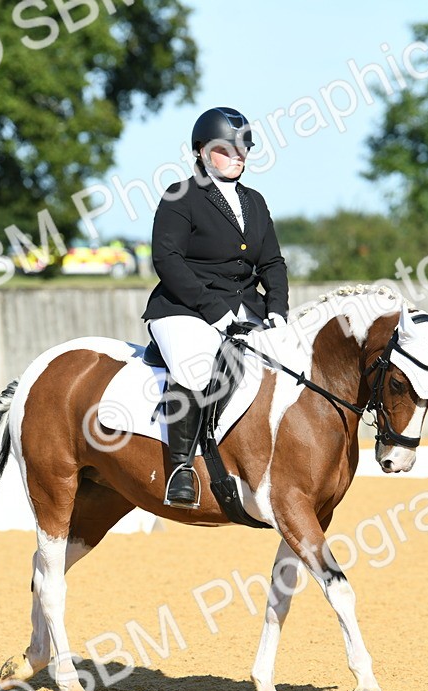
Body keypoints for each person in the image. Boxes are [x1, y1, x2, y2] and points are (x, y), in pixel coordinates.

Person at [143, 106, 290, 508]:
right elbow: (167, 259)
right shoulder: (180, 196)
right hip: (183, 307)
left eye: (244, 148)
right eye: (228, 149)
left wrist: (277, 309)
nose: (239, 155)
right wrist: (216, 312)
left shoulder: (255, 202)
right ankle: (180, 470)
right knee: (196, 363)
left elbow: (272, 262)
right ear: (202, 151)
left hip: (246, 307)